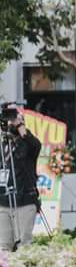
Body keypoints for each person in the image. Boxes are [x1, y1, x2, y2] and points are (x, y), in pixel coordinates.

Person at [0, 107, 42, 251]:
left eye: (14, 119)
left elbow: (35, 144)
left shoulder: (28, 145)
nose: (10, 122)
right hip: (3, 201)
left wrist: (19, 125)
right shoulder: (3, 145)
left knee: (23, 244)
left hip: (25, 200)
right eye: (8, 119)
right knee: (4, 245)